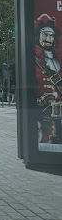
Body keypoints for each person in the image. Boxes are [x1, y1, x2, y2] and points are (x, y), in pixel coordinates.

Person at [34, 14, 62, 145]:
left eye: (51, 36)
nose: (48, 39)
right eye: (44, 35)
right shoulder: (35, 60)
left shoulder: (57, 59)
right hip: (44, 116)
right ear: (38, 37)